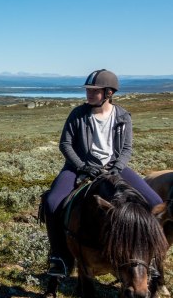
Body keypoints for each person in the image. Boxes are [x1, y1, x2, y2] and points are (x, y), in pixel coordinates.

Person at [44, 69, 163, 277]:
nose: (89, 94)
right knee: (52, 202)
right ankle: (59, 257)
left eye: (94, 90)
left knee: (155, 204)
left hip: (114, 168)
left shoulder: (123, 116)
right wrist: (83, 166)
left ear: (108, 93)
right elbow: (65, 144)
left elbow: (126, 148)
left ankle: (147, 258)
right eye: (88, 90)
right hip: (79, 167)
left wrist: (117, 167)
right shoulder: (78, 114)